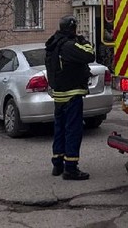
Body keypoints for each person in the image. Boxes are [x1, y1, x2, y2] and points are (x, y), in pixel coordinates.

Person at [45, 15, 96, 180]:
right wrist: (83, 40)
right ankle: (71, 168)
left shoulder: (54, 45)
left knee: (59, 130)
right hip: (72, 94)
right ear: (72, 28)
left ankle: (58, 164)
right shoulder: (69, 46)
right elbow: (90, 54)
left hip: (59, 95)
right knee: (73, 130)